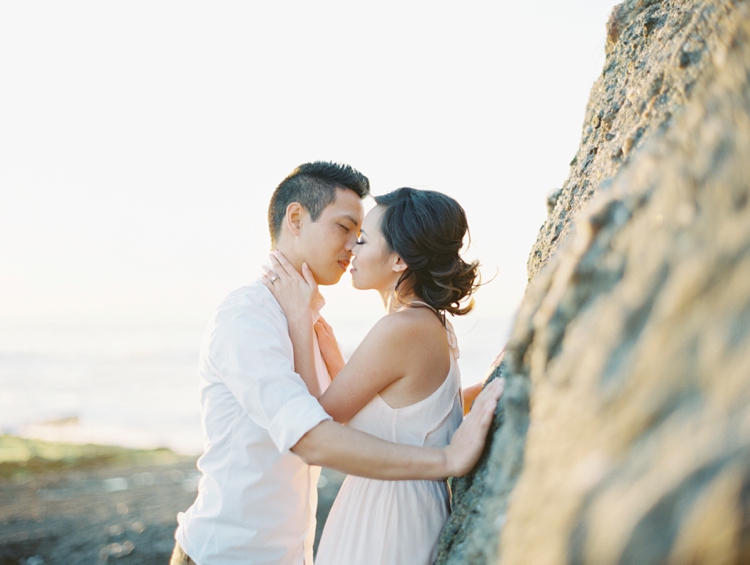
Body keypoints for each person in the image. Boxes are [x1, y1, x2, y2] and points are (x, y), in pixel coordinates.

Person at [171, 162, 504, 565]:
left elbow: (361, 411)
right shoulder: (248, 317)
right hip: (228, 554)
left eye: (361, 236)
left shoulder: (312, 317)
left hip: (301, 549)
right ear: (296, 218)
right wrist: (448, 457)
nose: (351, 247)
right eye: (346, 229)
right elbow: (313, 433)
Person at [263, 186, 490, 564]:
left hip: (387, 516)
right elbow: (386, 413)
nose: (351, 248)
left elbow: (320, 416)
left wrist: (299, 320)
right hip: (396, 506)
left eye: (364, 240)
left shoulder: (403, 328)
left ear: (399, 259)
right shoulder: (425, 322)